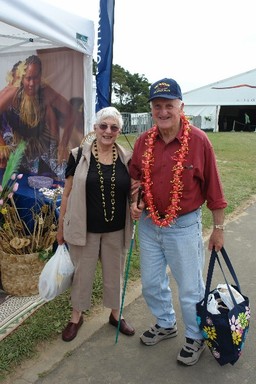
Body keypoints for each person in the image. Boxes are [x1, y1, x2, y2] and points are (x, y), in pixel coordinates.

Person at [129, 78, 227, 366]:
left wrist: (218, 229)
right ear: (151, 110)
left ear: (180, 106)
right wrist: (136, 202)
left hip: (183, 227)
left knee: (190, 288)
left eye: (169, 105)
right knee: (150, 283)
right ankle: (165, 322)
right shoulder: (143, 141)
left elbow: (215, 190)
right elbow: (136, 177)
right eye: (157, 106)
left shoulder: (198, 140)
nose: (163, 111)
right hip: (149, 226)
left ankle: (196, 336)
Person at [56, 106, 135, 342]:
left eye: (113, 127)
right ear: (95, 128)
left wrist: (137, 204)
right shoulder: (77, 155)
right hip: (84, 229)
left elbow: (134, 192)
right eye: (103, 126)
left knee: (115, 274)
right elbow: (67, 193)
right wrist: (61, 228)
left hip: (116, 229)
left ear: (119, 131)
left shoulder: (127, 158)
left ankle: (115, 314)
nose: (108, 131)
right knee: (82, 275)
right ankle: (76, 317)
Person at [0, 55, 76, 174]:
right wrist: (2, 145)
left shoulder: (45, 91)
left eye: (35, 78)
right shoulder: (13, 91)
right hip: (16, 140)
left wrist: (63, 144)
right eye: (28, 78)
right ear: (22, 78)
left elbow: (70, 112)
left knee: (60, 171)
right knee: (9, 170)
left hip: (38, 140)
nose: (31, 83)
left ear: (40, 76)